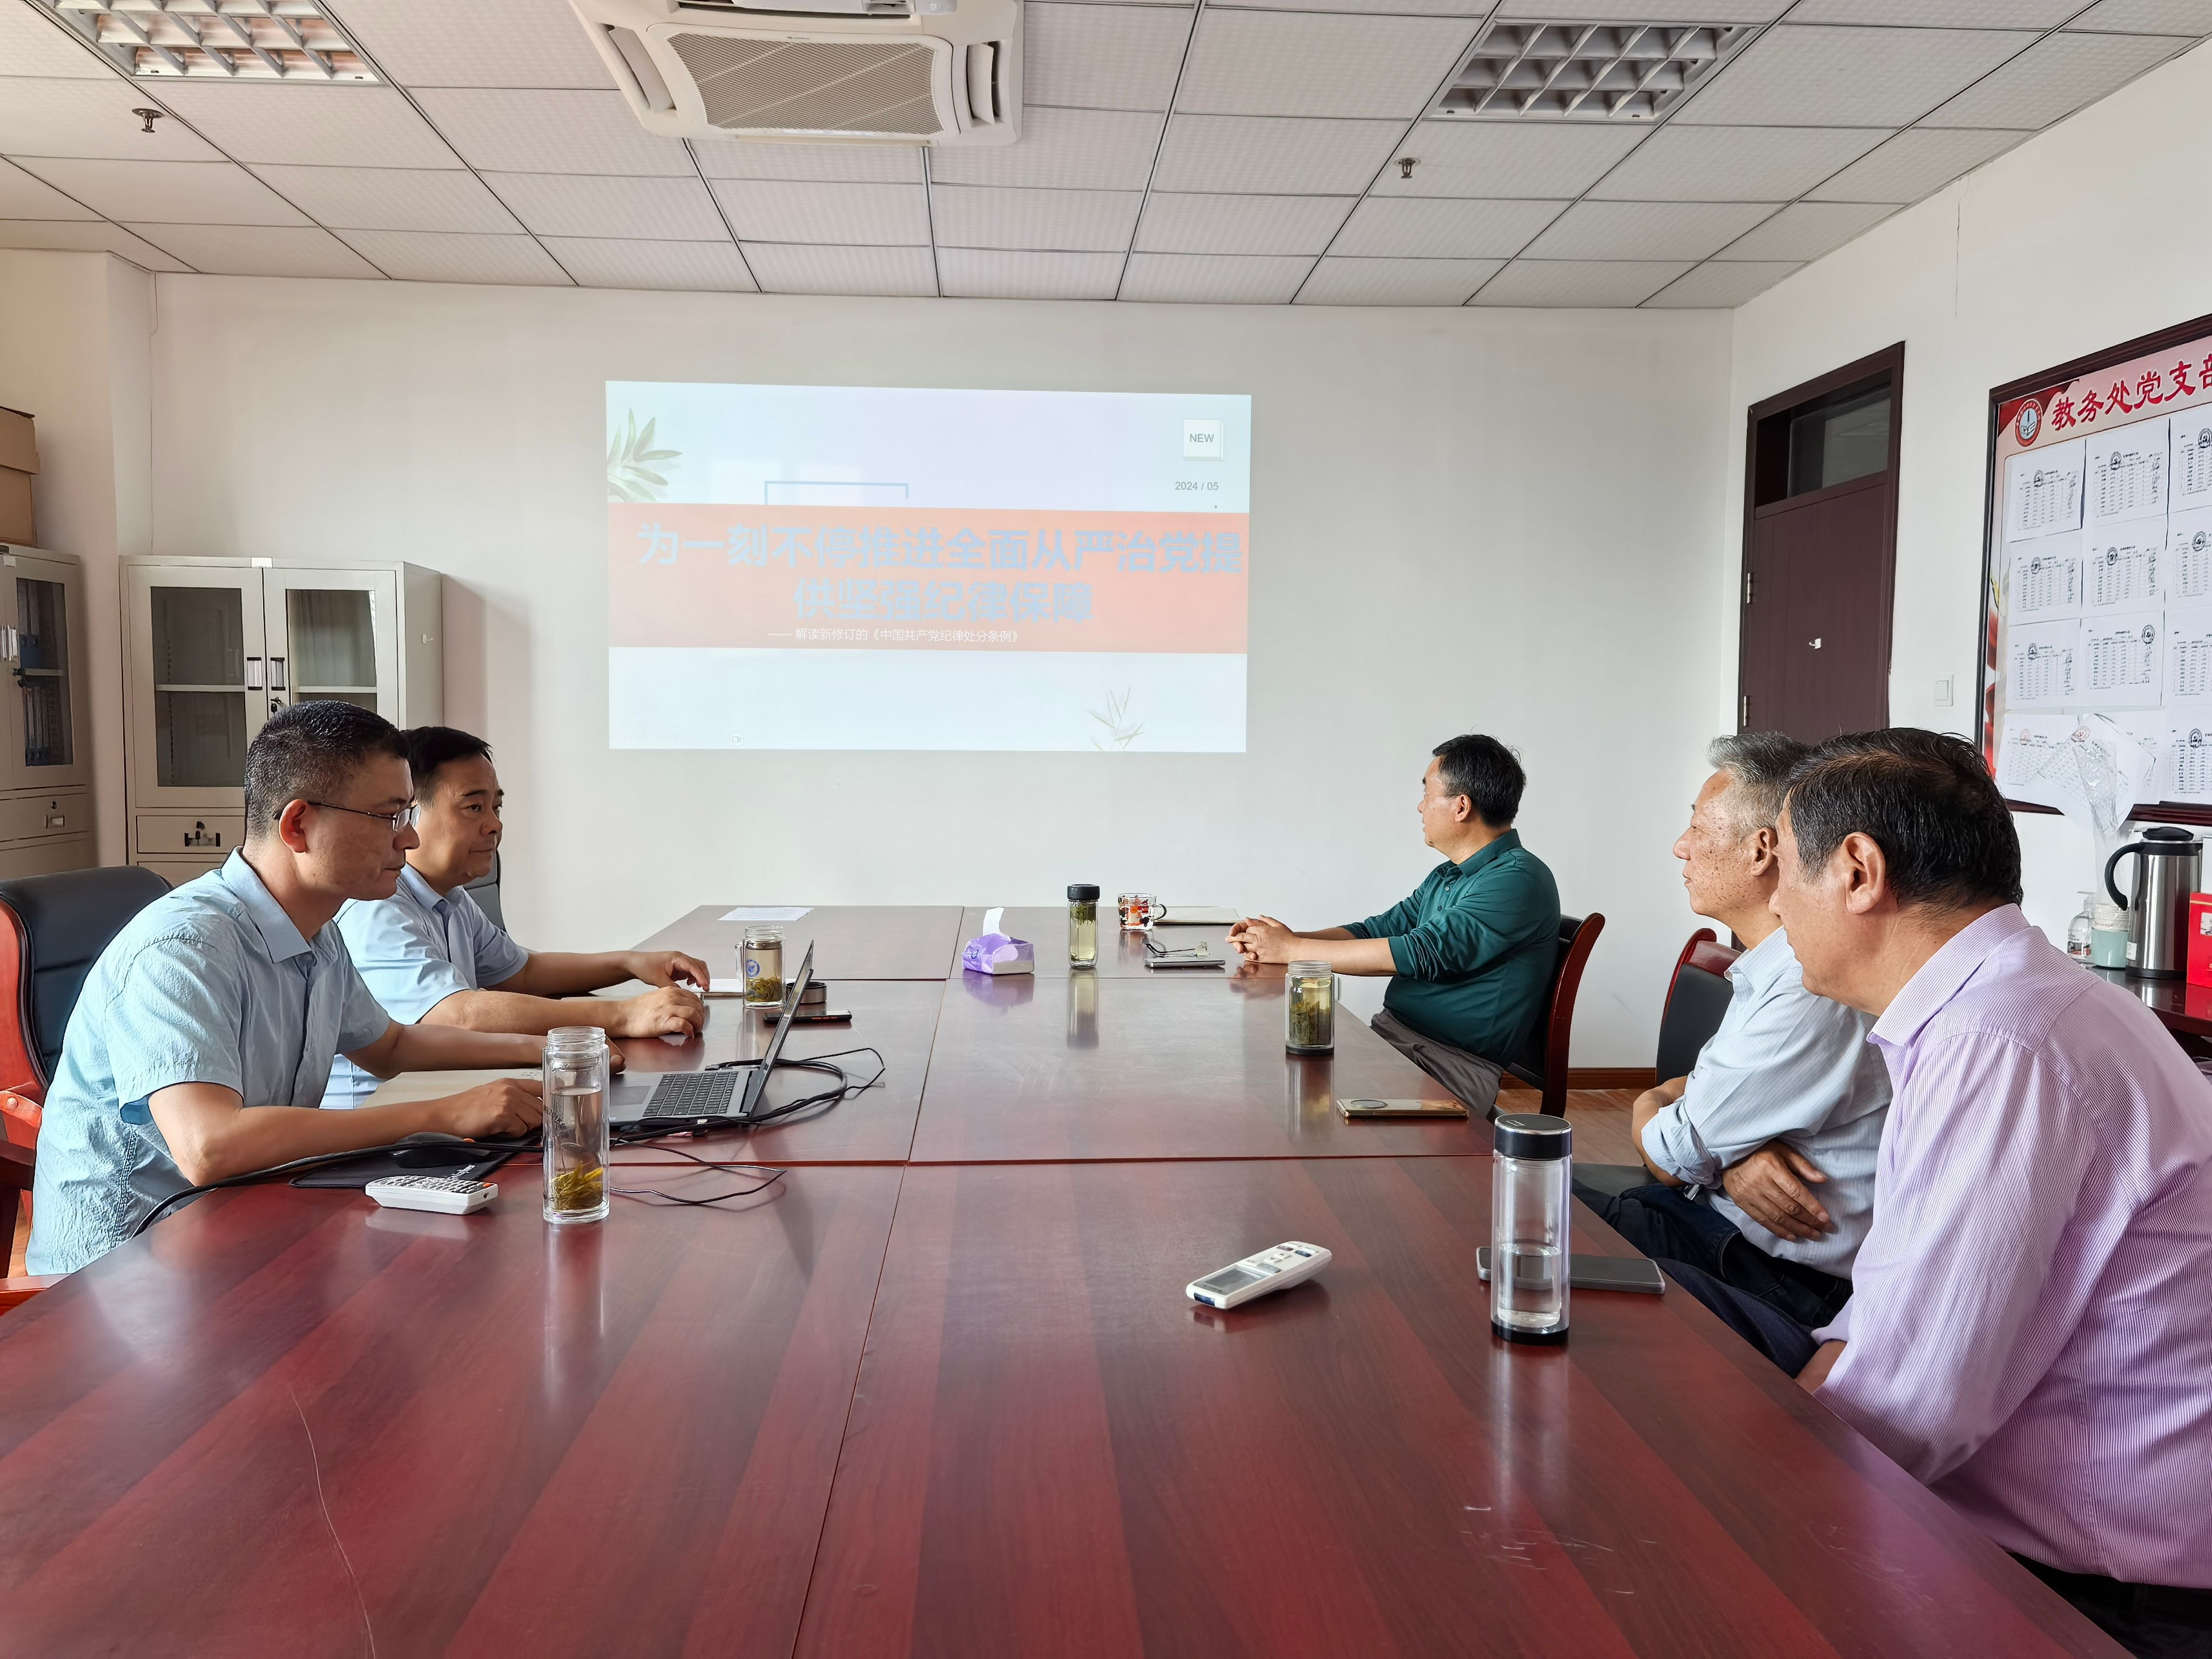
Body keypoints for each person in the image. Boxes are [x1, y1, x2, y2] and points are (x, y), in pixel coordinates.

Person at [1774, 728, 2212, 1657]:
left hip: (2105, 1591)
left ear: (1857, 871)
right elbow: (1895, 1314)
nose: (1773, 901)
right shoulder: (2005, 1003)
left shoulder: (2002, 1040)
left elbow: (1911, 1403)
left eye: (1784, 868)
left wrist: (1731, 1500)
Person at [28, 703, 552, 1276]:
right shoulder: (183, 947)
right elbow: (211, 1145)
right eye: (389, 816)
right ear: (298, 825)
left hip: (243, 1225)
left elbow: (392, 1047)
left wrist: (554, 1051)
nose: (408, 838)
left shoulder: (317, 931)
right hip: (123, 1271)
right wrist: (446, 1114)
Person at [1575, 733, 1890, 1341]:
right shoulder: (1768, 966)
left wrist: (1660, 1111)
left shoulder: (1807, 985)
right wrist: (1722, 1157)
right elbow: (1691, 1126)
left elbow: (1673, 1150)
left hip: (1770, 1276)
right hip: (1711, 1224)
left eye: (1697, 826)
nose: (1681, 846)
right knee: (1508, 1193)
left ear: (1761, 849)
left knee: (1513, 1216)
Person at [323, 726, 708, 1108]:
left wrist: (628, 963)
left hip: (442, 1103)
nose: (495, 824)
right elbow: (456, 1015)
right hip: (383, 1122)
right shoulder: (376, 908)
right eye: (474, 808)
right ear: (412, 814)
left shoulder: (450, 898)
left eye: (497, 807)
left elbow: (522, 972)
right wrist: (622, 1015)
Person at [1229, 734, 1558, 1114]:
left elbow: (1421, 953)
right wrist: (1277, 941)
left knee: (1279, 1104)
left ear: (1461, 807)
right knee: (1263, 1079)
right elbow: (1377, 931)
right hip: (1396, 1043)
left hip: (1443, 1066)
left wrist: (1292, 951)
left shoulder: (1517, 879)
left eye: (1428, 794)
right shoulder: (1450, 875)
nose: (1420, 806)